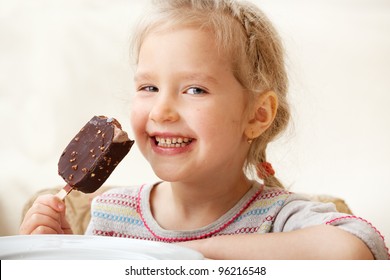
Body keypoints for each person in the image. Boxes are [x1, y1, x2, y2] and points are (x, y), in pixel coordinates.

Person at [20, 0, 389, 259]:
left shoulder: (280, 220)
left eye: (194, 89)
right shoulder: (109, 214)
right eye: (148, 87)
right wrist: (62, 256)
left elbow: (358, 248)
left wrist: (188, 255)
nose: (162, 110)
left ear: (257, 115)